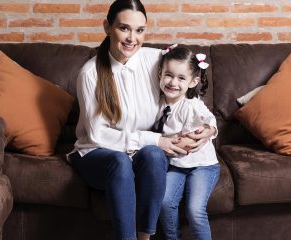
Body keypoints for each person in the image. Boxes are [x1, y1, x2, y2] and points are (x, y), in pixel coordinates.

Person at [67, 1, 213, 239]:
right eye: (124, 28)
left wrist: (207, 128)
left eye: (139, 30)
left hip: (143, 152)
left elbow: (189, 73)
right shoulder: (90, 73)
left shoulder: (155, 59)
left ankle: (145, 237)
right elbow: (97, 135)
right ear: (107, 27)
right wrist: (155, 139)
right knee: (120, 161)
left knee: (154, 155)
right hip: (96, 153)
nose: (132, 38)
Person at [154, 46, 220, 240]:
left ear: (193, 82)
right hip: (177, 164)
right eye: (168, 75)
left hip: (203, 165)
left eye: (181, 78)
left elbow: (210, 119)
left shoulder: (191, 104)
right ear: (160, 74)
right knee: (165, 202)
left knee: (194, 209)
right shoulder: (157, 103)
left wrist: (211, 130)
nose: (173, 83)